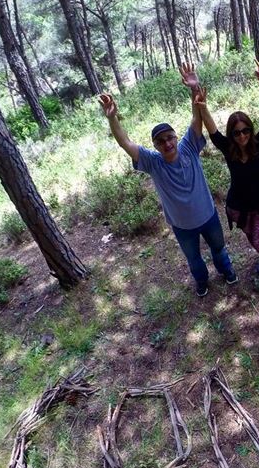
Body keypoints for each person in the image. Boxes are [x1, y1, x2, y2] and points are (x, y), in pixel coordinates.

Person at [98, 64, 237, 298]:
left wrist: (194, 87)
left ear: (175, 137)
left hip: (208, 215)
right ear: (155, 146)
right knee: (194, 260)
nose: (168, 143)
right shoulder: (153, 162)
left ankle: (227, 271)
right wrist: (113, 119)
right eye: (161, 141)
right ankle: (202, 283)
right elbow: (126, 143)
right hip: (182, 226)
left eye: (170, 138)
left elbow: (196, 115)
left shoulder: (189, 147)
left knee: (219, 249)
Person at [195, 63, 259, 280]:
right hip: (239, 206)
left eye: (245, 131)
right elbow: (212, 129)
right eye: (237, 132)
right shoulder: (228, 148)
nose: (242, 136)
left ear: (250, 130)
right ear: (231, 134)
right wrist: (202, 107)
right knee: (255, 239)